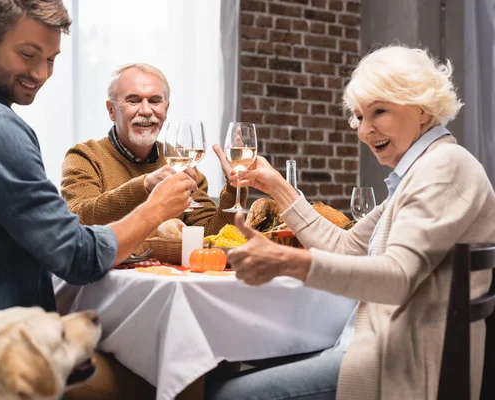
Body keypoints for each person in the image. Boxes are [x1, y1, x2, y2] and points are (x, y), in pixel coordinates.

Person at [0, 1, 195, 398]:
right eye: (28, 54)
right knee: (182, 374)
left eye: (51, 59)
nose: (41, 74)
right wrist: (156, 207)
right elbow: (79, 256)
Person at [207, 45, 495, 400]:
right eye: (360, 116)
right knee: (213, 371)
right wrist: (276, 186)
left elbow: (398, 279)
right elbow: (346, 246)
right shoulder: (424, 170)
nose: (365, 130)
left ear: (423, 109)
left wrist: (289, 261)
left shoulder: (443, 170)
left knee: (218, 392)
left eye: (380, 111)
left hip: (399, 368)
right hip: (375, 347)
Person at [60, 63, 244, 236]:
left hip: (162, 271)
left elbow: (208, 234)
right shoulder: (84, 157)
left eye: (155, 101)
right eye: (134, 101)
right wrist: (145, 185)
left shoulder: (182, 163)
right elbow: (78, 218)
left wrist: (235, 188)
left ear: (166, 109)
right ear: (111, 110)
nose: (147, 110)